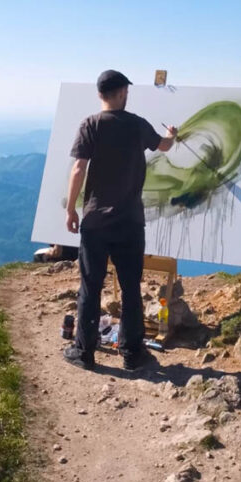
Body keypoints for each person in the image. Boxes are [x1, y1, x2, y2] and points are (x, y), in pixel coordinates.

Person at [63, 69, 177, 371]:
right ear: (122, 92)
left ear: (100, 94)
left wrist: (71, 210)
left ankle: (84, 353)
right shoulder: (137, 125)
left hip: (96, 222)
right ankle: (132, 353)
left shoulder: (90, 124)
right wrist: (171, 135)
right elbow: (163, 147)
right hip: (130, 222)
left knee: (90, 286)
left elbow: (78, 169)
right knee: (129, 287)